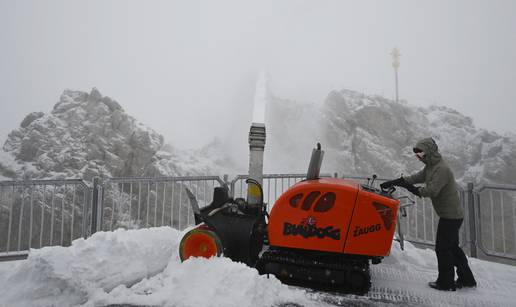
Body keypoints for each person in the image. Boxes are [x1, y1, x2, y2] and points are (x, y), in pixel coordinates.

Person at [380, 137, 477, 291]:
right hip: (451, 214)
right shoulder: (431, 167)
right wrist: (396, 181)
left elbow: (431, 190)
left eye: (420, 154)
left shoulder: (441, 169)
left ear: (429, 152)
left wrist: (412, 189)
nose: (419, 158)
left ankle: (446, 283)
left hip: (451, 216)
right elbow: (416, 178)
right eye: (417, 155)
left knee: (443, 248)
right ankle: (467, 279)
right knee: (452, 248)